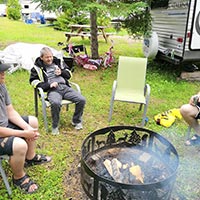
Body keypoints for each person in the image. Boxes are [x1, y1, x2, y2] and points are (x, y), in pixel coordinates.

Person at [0, 63, 51, 194]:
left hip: (4, 126)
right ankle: (18, 178)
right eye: (0, 72)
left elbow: (10, 111)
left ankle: (30, 157)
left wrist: (28, 128)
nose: (3, 74)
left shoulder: (1, 86)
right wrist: (23, 133)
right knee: (20, 145)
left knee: (33, 121)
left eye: (2, 71)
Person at [29, 47, 86, 135]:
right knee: (55, 103)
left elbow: (69, 74)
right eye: (47, 57)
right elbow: (33, 82)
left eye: (51, 57)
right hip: (53, 90)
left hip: (65, 87)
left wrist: (62, 72)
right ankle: (55, 126)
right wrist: (49, 85)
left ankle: (76, 121)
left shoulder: (58, 62)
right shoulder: (36, 68)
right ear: (41, 58)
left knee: (81, 99)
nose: (50, 59)